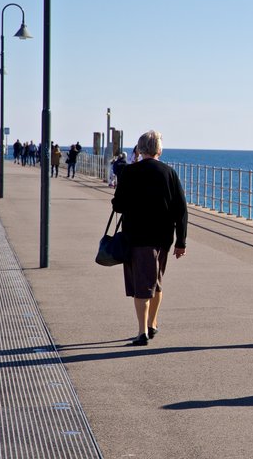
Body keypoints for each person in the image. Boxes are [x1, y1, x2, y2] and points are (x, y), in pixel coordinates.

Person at [111, 130, 188, 346]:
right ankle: (152, 323)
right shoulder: (169, 173)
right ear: (159, 150)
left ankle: (142, 331)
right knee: (156, 281)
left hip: (136, 236)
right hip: (163, 238)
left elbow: (118, 205)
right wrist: (181, 241)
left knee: (142, 286)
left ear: (140, 149)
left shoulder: (129, 172)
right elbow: (181, 209)